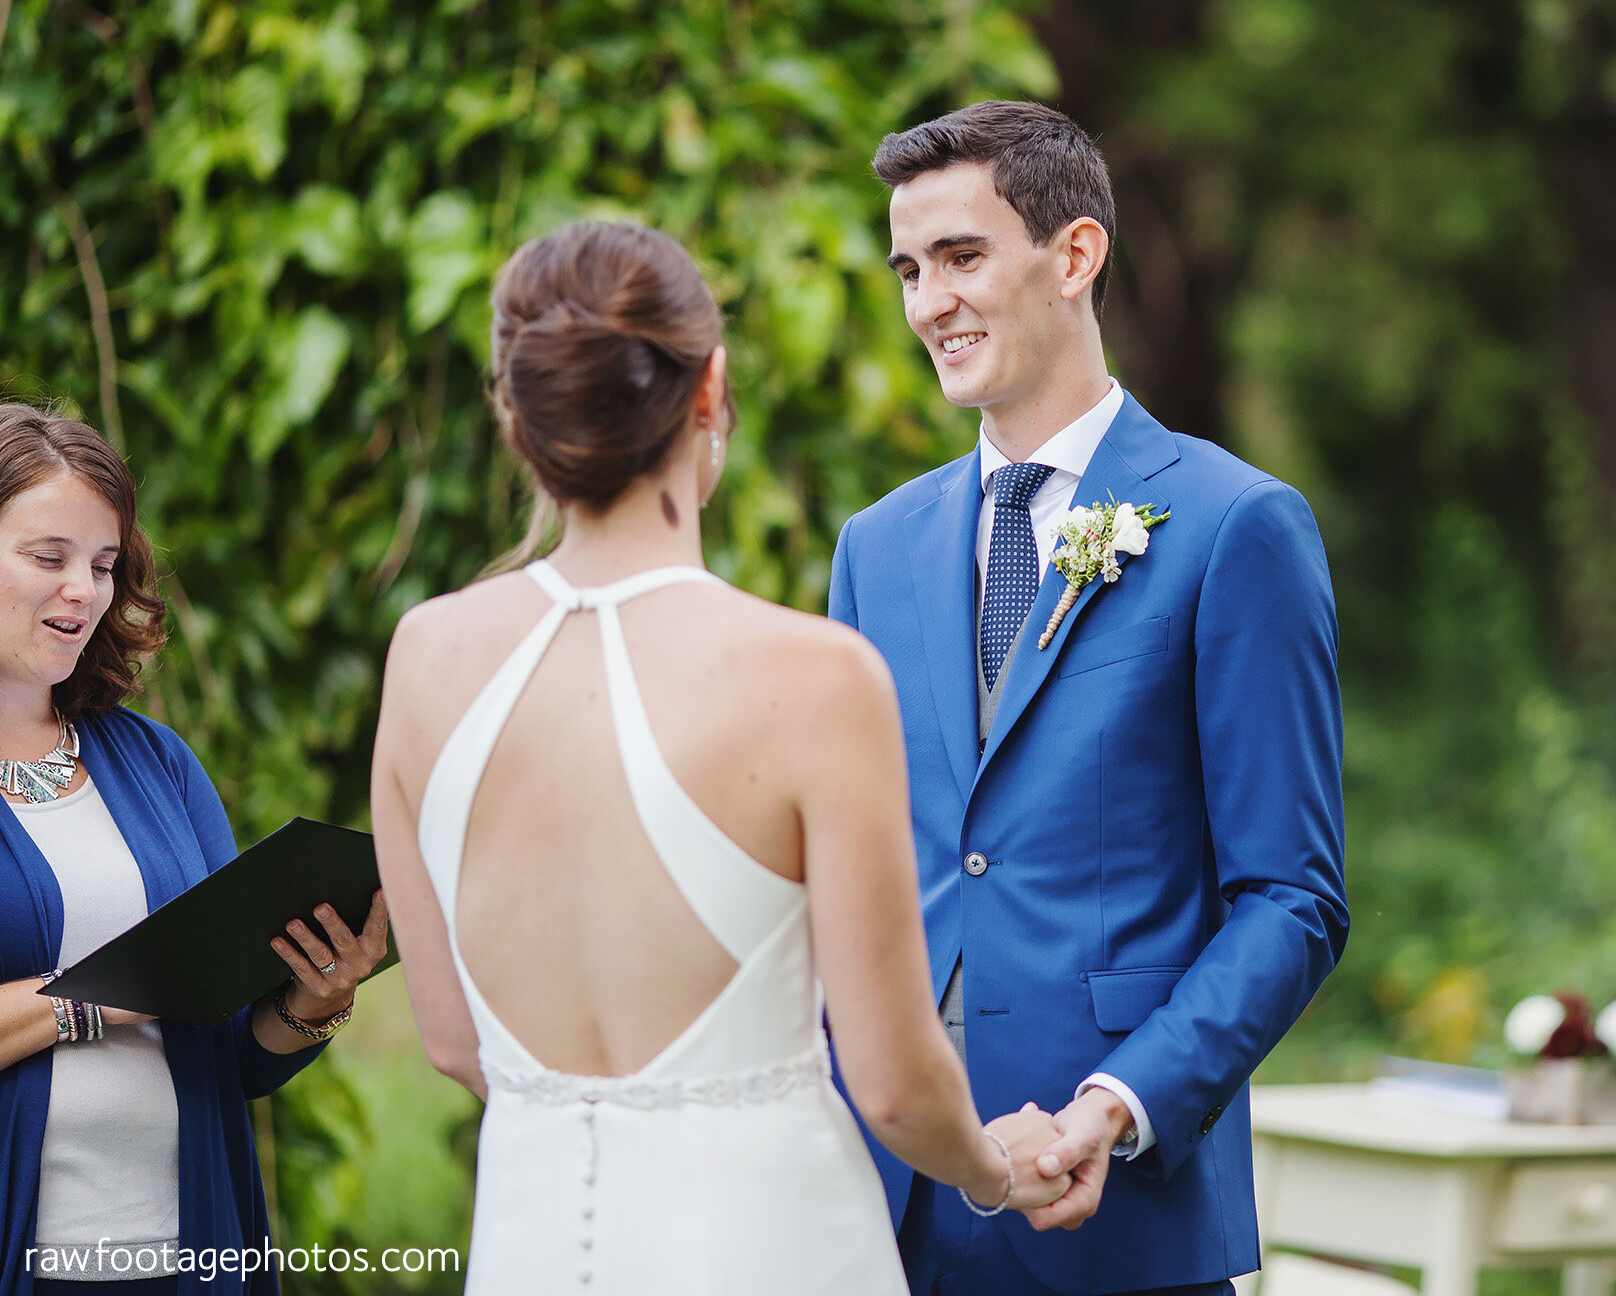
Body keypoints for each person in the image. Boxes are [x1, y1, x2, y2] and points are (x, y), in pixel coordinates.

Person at [370, 221, 1071, 1295]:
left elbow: (456, 1045)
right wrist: (993, 1169)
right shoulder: (811, 675)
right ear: (710, 390)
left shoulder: (424, 657)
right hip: (771, 1244)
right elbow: (890, 1083)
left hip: (533, 1242)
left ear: (517, 413)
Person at [829, 100, 1349, 1295]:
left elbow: (1291, 897)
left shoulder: (1234, 528)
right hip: (883, 1216)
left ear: (1073, 256)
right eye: (908, 269)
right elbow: (851, 875)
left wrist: (1116, 1107)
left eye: (960, 257)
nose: (926, 304)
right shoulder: (875, 548)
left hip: (1117, 1220)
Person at [0, 402, 389, 1296]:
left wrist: (314, 998)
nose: (83, 592)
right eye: (48, 557)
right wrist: (102, 1001)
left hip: (190, 1253)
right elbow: (152, 997)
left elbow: (234, 1052)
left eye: (101, 565)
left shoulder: (158, 764)